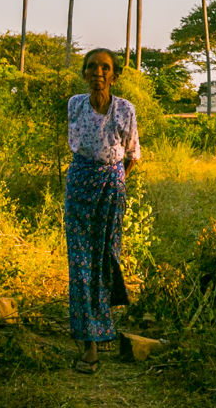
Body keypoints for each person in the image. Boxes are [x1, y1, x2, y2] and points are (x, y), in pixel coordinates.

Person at [65, 48, 139, 374]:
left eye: (105, 68)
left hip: (111, 189)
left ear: (114, 76)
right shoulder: (75, 105)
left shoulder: (125, 110)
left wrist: (114, 180)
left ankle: (102, 321)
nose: (98, 72)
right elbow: (77, 146)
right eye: (92, 67)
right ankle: (90, 346)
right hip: (79, 188)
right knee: (81, 262)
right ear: (84, 74)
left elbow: (132, 156)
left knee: (105, 258)